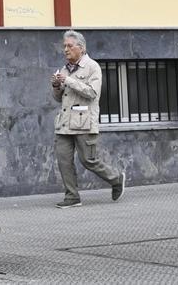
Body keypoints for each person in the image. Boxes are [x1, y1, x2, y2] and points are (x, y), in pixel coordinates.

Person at [51, 30, 126, 208]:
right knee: (63, 160)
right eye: (64, 46)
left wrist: (68, 81)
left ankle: (116, 179)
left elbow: (92, 93)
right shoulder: (64, 69)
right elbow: (58, 98)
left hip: (84, 122)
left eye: (70, 46)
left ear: (81, 48)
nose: (66, 50)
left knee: (88, 160)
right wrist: (56, 86)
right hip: (64, 123)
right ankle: (72, 197)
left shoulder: (93, 67)